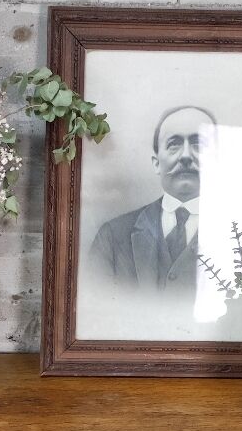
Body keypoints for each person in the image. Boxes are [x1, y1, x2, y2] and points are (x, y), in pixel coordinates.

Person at [85, 104, 216, 295]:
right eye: (174, 144)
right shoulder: (112, 237)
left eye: (199, 144)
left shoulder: (241, 239)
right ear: (157, 164)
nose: (186, 155)